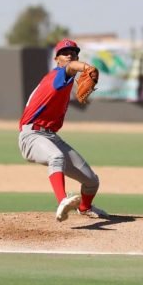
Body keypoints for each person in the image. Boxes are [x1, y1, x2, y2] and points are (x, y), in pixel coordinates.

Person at [18, 38, 108, 222]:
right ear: (56, 58)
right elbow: (70, 68)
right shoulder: (57, 75)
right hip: (31, 135)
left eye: (73, 53)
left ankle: (85, 208)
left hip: (50, 136)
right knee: (56, 157)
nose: (69, 55)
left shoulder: (66, 81)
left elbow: (72, 69)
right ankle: (62, 201)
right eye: (64, 53)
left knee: (91, 181)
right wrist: (86, 67)